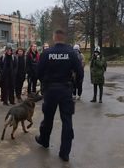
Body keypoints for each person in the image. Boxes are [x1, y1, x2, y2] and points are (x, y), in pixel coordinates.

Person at [35, 29, 84, 162]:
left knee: (48, 118)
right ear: (64, 38)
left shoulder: (47, 53)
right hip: (66, 89)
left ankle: (44, 140)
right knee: (67, 121)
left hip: (50, 90)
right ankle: (65, 153)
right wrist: (74, 84)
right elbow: (80, 72)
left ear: (54, 38)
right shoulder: (72, 53)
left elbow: (38, 72)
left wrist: (44, 83)